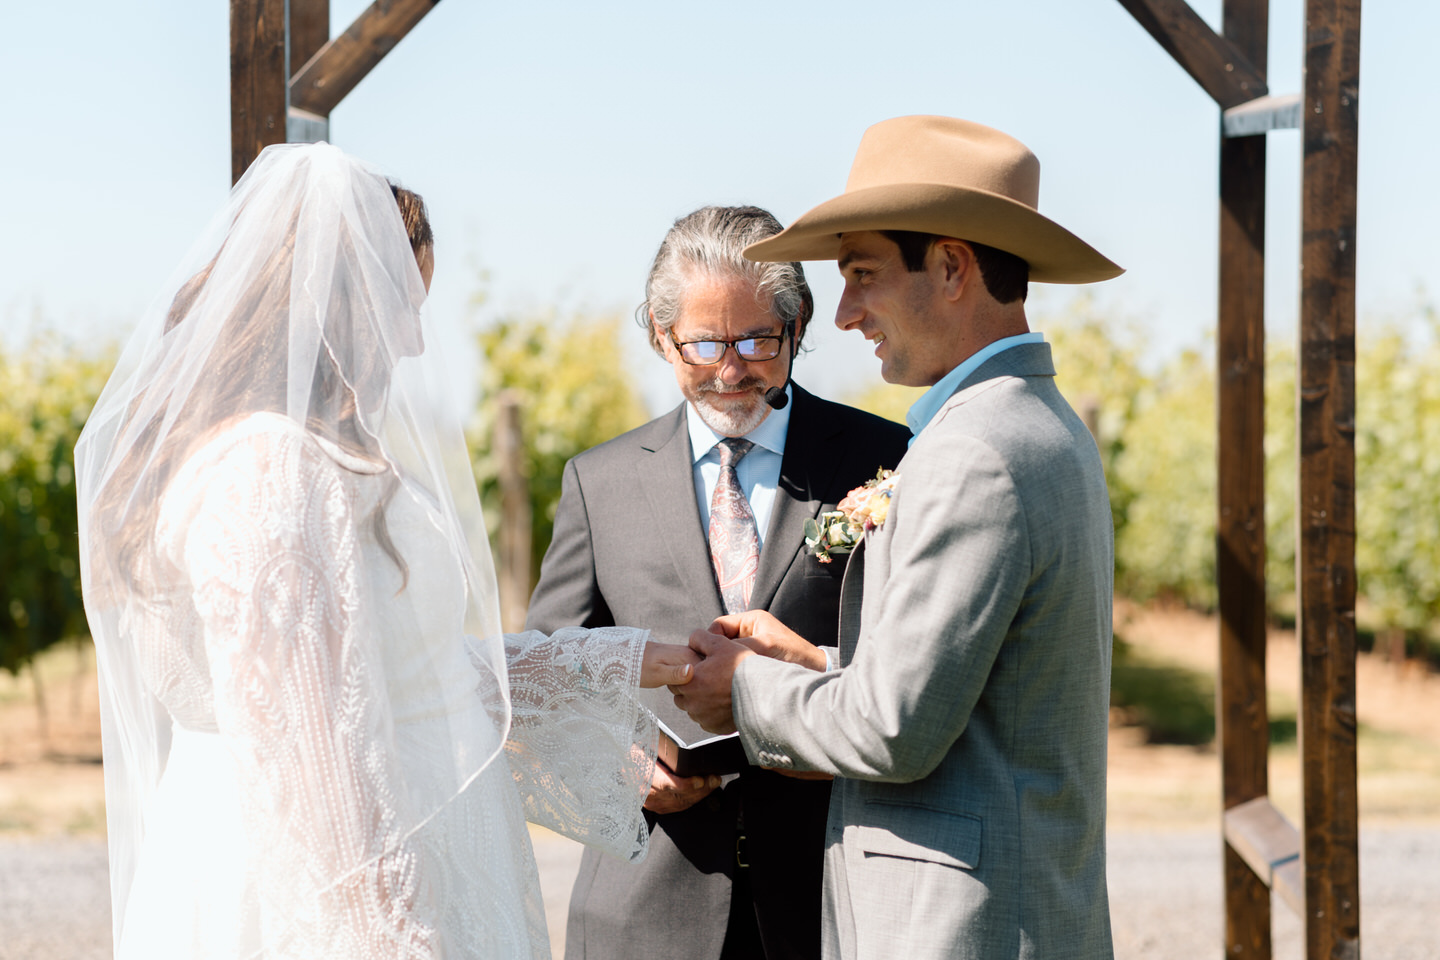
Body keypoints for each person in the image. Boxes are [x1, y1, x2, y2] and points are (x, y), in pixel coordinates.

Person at [75, 142, 696, 960]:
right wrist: (389, 936)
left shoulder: (303, 455)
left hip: (408, 841)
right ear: (329, 299)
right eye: (403, 302)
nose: (414, 343)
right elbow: (308, 750)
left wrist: (640, 659)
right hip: (323, 892)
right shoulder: (269, 471)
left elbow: (407, 671)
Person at [673, 116, 1124, 959]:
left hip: (960, 928)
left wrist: (742, 686)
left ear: (951, 267)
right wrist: (813, 668)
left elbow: (891, 731)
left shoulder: (974, 454)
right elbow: (970, 699)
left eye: (862, 275)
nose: (844, 314)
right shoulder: (1038, 427)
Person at [524, 205, 910, 960]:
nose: (731, 371)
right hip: (643, 914)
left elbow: (911, 668)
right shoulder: (597, 482)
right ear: (659, 337)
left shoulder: (887, 457)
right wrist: (619, 767)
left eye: (757, 341)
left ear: (798, 325)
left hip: (830, 905)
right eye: (702, 344)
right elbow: (545, 674)